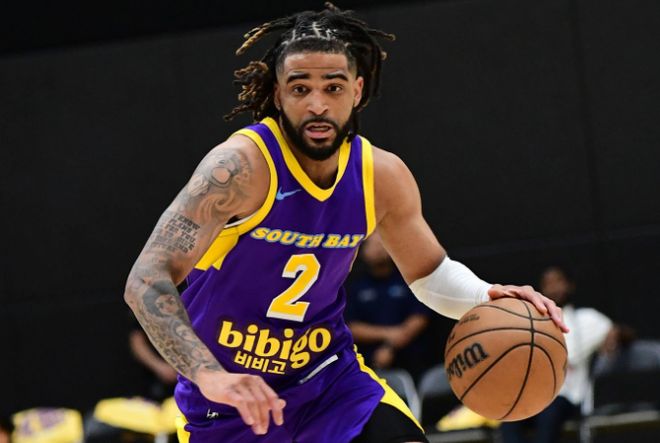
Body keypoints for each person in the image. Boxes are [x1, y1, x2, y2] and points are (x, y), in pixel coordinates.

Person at [123, 4, 566, 442]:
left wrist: (486, 295)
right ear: (278, 95)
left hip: (330, 382)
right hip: (231, 402)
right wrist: (209, 374)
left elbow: (429, 274)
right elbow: (146, 280)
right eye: (300, 89)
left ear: (357, 91)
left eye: (333, 88)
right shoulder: (239, 168)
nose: (317, 104)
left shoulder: (381, 176)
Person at [499, 265, 611, 443]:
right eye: (547, 283)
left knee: (549, 412)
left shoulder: (588, 319)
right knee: (510, 419)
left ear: (570, 285)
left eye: (558, 281)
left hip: (568, 398)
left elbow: (617, 332)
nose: (553, 288)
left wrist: (616, 338)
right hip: (534, 397)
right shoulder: (529, 322)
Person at [346, 232, 432, 380]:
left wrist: (390, 345)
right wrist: (389, 334)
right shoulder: (354, 287)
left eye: (382, 243)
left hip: (412, 360)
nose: (379, 249)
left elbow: (420, 317)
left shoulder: (409, 280)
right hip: (367, 362)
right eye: (373, 245)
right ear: (363, 251)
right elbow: (351, 327)